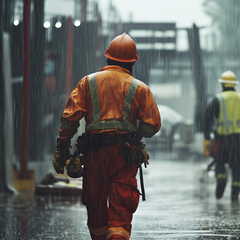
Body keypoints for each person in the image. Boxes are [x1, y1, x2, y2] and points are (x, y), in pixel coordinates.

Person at [52, 33, 161, 240]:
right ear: (132, 62)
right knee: (121, 212)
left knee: (96, 210)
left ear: (108, 58)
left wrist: (62, 147)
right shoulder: (140, 88)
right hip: (124, 155)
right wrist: (137, 136)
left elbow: (69, 118)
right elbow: (153, 124)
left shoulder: (88, 82)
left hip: (94, 155)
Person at [203, 71, 240, 201]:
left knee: (220, 162)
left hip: (222, 140)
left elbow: (206, 117)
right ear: (234, 84)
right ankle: (235, 194)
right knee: (238, 167)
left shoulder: (218, 99)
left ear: (223, 84)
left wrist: (207, 135)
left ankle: (221, 179)